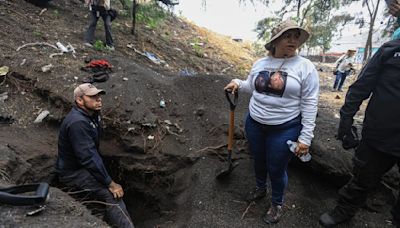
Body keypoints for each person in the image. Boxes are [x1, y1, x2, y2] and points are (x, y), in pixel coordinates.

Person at [224, 19, 319, 224]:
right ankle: (260, 188)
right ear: (275, 40)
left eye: (296, 36)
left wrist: (305, 137)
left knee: (276, 167)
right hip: (255, 123)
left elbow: (310, 103)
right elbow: (251, 86)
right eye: (288, 36)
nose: (293, 40)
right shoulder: (260, 63)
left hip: (285, 128)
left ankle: (276, 203)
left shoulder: (305, 67)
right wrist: (237, 83)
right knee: (258, 160)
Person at [319, 1, 400, 227]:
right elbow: (361, 86)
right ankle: (345, 209)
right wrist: (346, 120)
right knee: (363, 177)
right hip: (379, 135)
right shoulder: (390, 50)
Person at [56, 83, 134, 228]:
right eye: (92, 96)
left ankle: (101, 216)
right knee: (111, 195)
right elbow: (88, 157)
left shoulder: (92, 115)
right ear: (80, 100)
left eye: (98, 95)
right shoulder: (77, 123)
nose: (98, 99)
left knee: (103, 184)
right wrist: (110, 183)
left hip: (83, 166)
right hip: (73, 173)